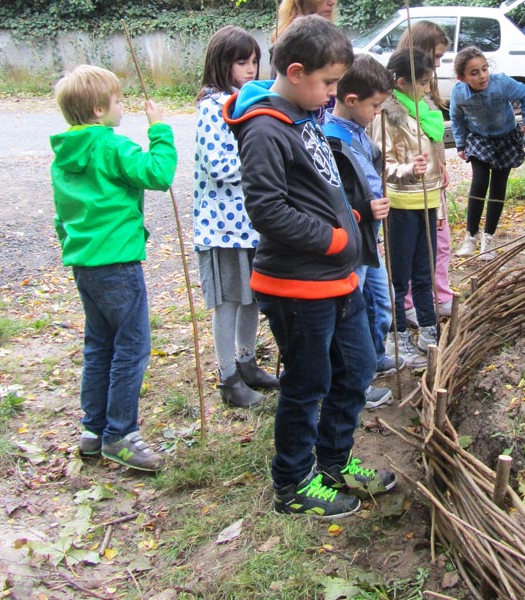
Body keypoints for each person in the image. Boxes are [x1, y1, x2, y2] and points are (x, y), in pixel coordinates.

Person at [223, 15, 397, 519]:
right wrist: (336, 238)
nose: (333, 94)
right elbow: (269, 210)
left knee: (357, 367)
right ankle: (294, 483)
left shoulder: (303, 116)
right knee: (307, 384)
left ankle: (333, 464)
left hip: (335, 279)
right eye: (329, 83)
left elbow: (320, 188)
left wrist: (356, 215)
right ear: (296, 72)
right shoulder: (264, 129)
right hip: (297, 286)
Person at [50, 65, 177, 472]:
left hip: (84, 264)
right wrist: (159, 130)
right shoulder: (111, 146)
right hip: (117, 264)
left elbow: (61, 216)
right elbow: (158, 174)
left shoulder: (64, 157)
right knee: (132, 347)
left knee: (99, 344)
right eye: (119, 101)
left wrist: (74, 247)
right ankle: (121, 434)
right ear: (98, 108)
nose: (123, 107)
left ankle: (94, 429)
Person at [194, 26, 279, 410]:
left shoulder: (244, 100)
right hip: (222, 227)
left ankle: (247, 363)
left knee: (251, 300)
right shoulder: (214, 106)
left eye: (254, 61)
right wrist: (262, 159)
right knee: (228, 302)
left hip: (249, 224)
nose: (250, 68)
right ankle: (227, 377)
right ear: (220, 63)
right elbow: (220, 165)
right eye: (241, 62)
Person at [321, 54, 405, 405]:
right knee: (355, 309)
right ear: (351, 100)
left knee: (380, 303)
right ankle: (357, 377)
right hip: (351, 238)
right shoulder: (330, 139)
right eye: (375, 106)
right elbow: (331, 199)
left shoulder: (359, 132)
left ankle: (371, 359)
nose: (378, 113)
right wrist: (363, 209)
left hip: (368, 236)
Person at [370, 48, 444, 369]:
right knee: (399, 276)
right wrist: (407, 169)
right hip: (400, 203)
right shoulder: (386, 115)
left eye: (429, 83)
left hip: (427, 201)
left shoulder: (425, 111)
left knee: (424, 271)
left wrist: (439, 210)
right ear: (401, 82)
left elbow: (437, 165)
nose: (428, 89)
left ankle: (428, 329)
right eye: (423, 83)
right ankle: (397, 333)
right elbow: (380, 164)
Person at [450, 45, 525, 261]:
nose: (482, 76)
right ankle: (470, 236)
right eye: (474, 73)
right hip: (479, 139)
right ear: (462, 78)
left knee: (498, 187)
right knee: (479, 183)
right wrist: (461, 145)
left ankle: (488, 238)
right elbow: (457, 118)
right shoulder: (458, 93)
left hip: (506, 138)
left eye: (484, 69)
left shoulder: (501, 83)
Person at [396, 22, 454, 322]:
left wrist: (440, 162)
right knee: (411, 248)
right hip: (408, 188)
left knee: (440, 242)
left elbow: (433, 135)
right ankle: (408, 304)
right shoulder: (397, 98)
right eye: (436, 58)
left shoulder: (425, 91)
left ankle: (439, 295)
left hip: (432, 183)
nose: (439, 64)